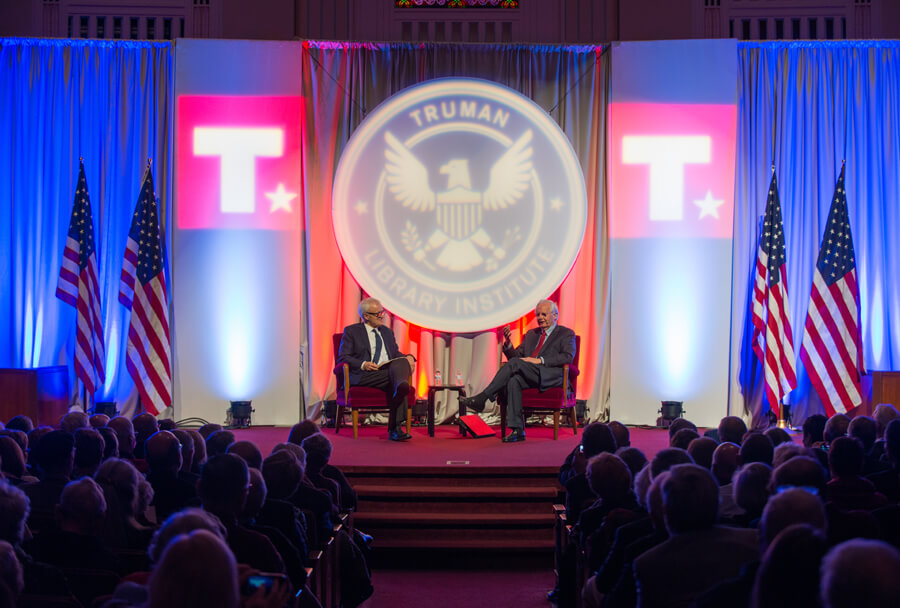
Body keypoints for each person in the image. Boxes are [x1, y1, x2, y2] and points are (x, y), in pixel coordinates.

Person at [460, 299, 576, 443]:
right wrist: (508, 345)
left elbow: (568, 356)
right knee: (514, 381)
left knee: (515, 368)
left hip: (549, 375)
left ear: (555, 315)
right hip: (530, 373)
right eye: (538, 314)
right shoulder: (531, 335)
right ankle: (517, 430)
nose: (540, 318)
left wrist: (540, 361)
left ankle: (483, 398)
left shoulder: (566, 334)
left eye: (544, 314)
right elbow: (517, 358)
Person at [338, 297, 416, 441]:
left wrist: (409, 357)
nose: (382, 316)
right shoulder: (352, 331)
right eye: (378, 314)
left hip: (386, 371)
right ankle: (395, 427)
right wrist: (363, 364)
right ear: (366, 316)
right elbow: (343, 357)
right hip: (365, 374)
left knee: (402, 362)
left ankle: (399, 388)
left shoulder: (387, 332)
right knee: (398, 379)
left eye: (382, 312)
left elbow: (394, 354)